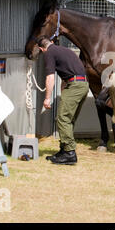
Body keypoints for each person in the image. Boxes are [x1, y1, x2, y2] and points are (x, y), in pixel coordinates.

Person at [37, 36, 89, 165]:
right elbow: (66, 76)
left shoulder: (49, 53)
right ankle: (64, 150)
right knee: (68, 119)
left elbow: (50, 77)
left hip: (75, 85)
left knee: (63, 118)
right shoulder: (63, 50)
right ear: (52, 42)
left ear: (41, 49)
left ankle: (70, 153)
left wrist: (47, 98)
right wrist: (63, 93)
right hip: (82, 84)